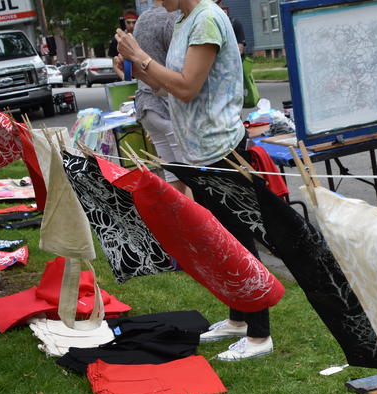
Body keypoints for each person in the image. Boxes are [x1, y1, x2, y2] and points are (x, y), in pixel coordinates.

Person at [115, 0, 273, 361]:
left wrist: (140, 55)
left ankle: (260, 335)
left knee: (239, 237)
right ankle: (238, 319)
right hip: (197, 150)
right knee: (220, 237)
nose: (155, 1)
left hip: (220, 147)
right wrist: (136, 65)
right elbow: (167, 85)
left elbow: (187, 87)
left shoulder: (206, 20)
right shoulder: (184, 20)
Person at [113, 0, 186, 193]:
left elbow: (134, 69)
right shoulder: (172, 19)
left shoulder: (143, 19)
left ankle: (178, 219)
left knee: (172, 173)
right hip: (166, 104)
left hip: (146, 105)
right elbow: (180, 69)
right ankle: (196, 221)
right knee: (189, 174)